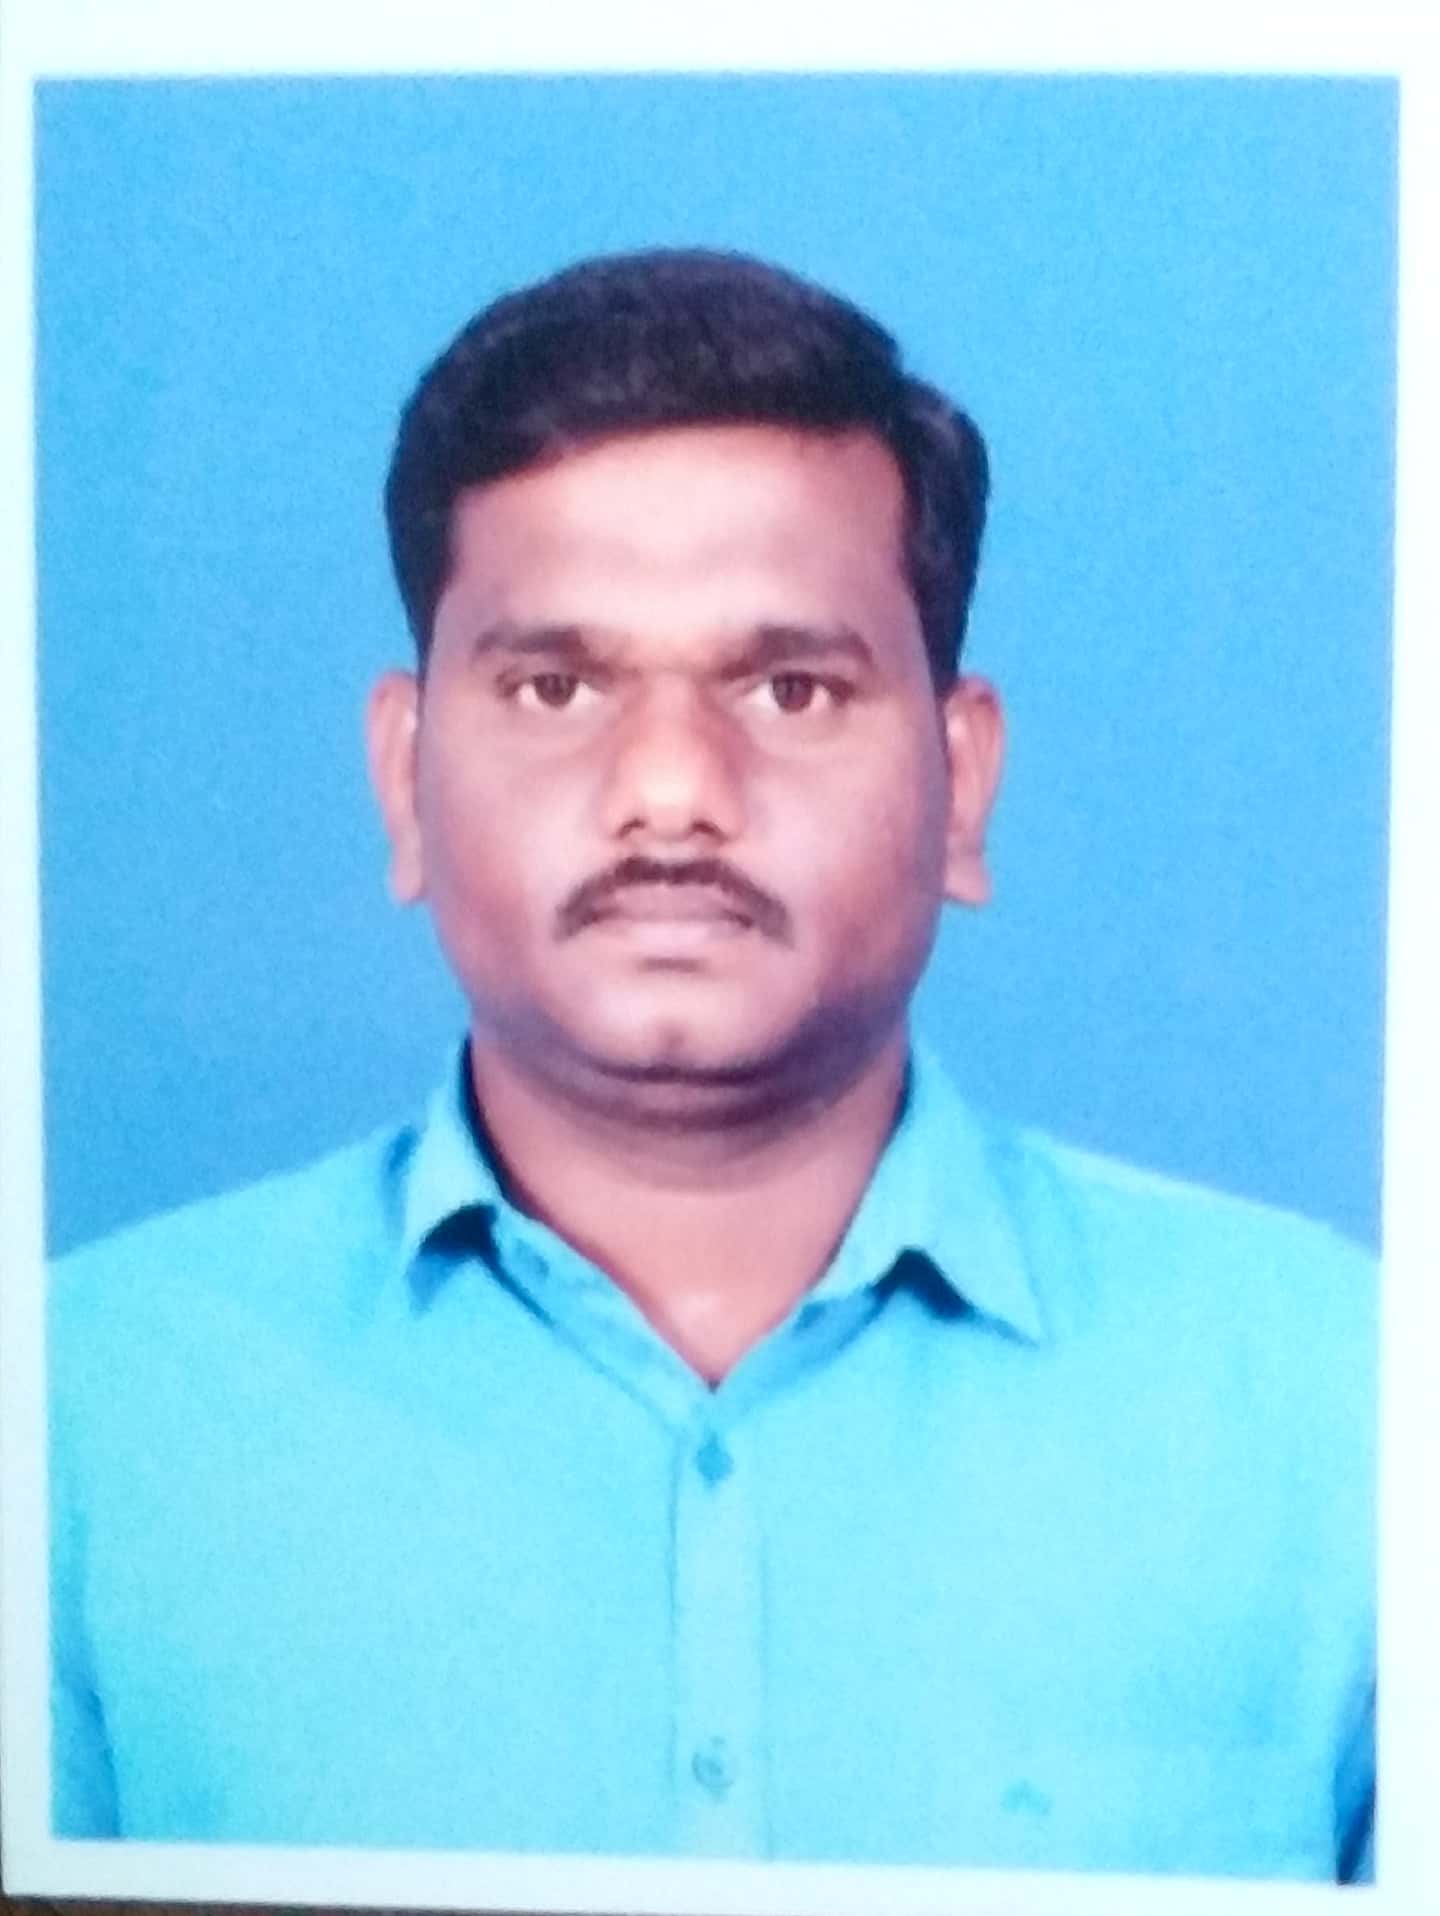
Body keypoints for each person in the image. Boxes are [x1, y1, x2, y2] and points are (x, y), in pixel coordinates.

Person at [48, 248, 1375, 1880]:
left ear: (961, 783)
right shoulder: (75, 1418)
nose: (671, 790)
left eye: (791, 687)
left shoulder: (1351, 1406)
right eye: (555, 685)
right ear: (404, 776)